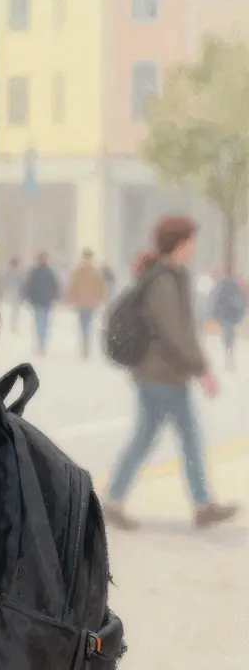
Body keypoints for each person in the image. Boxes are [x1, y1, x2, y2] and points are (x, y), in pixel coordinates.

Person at [103, 216, 237, 531]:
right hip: (163, 375)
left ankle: (113, 498)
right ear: (179, 243)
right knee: (187, 437)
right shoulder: (165, 280)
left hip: (157, 373)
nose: (193, 247)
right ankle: (202, 504)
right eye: (191, 241)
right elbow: (175, 331)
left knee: (146, 436)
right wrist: (201, 368)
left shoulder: (164, 275)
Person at [66, 248, 108, 358]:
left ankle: (86, 345)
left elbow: (101, 287)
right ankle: (85, 346)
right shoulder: (79, 272)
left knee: (87, 324)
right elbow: (72, 286)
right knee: (83, 324)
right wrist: (71, 298)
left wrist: (101, 298)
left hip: (90, 303)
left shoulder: (94, 272)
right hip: (81, 302)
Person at [22, 251, 60, 356]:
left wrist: (55, 296)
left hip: (44, 301)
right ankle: (41, 344)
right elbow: (28, 286)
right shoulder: (41, 271)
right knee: (41, 323)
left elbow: (55, 286)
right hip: (40, 301)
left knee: (42, 323)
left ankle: (41, 344)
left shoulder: (40, 271)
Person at [209, 268, 246, 371]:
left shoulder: (221, 286)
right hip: (232, 316)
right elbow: (242, 301)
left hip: (225, 315)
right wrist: (240, 314)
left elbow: (215, 299)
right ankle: (229, 351)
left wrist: (215, 313)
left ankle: (228, 351)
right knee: (230, 333)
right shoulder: (236, 287)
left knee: (228, 333)